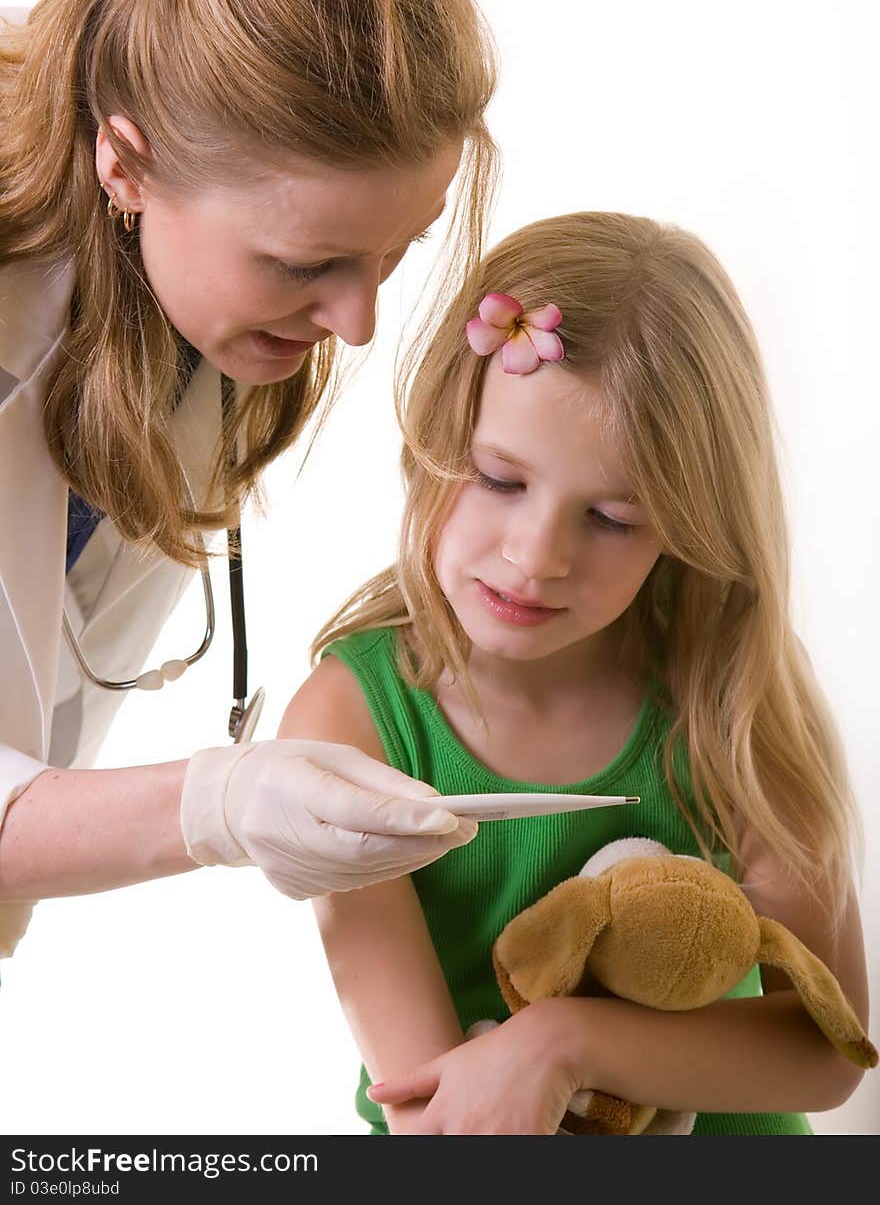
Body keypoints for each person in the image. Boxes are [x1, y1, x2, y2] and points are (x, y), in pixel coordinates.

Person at [279, 211, 870, 1135]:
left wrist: (566, 1043)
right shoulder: (348, 722)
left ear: (685, 529)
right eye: (500, 480)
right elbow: (434, 1118)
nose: (535, 554)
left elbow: (829, 1049)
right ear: (434, 441)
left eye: (611, 518)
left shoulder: (730, 698)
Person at [0, 0, 495, 962]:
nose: (357, 322)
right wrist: (212, 803)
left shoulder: (175, 305)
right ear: (122, 165)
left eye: (394, 253)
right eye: (305, 263)